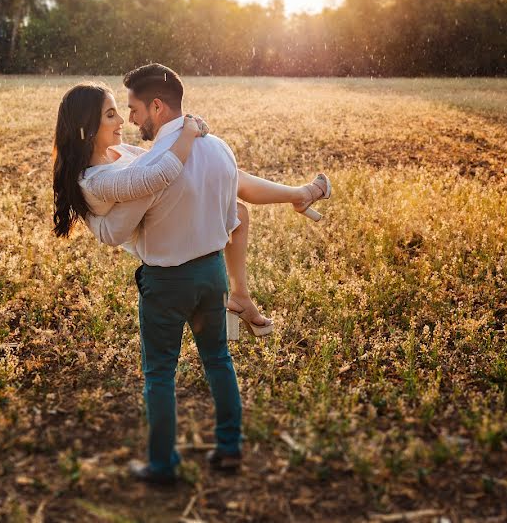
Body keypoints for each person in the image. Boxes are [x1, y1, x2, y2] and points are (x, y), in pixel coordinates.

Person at [51, 64, 331, 483]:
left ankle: (163, 466)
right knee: (218, 360)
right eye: (115, 112)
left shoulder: (149, 165)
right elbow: (236, 192)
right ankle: (231, 449)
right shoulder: (215, 146)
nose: (128, 119)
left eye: (130, 109)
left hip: (166, 282)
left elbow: (127, 216)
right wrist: (292, 193)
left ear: (156, 107)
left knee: (160, 374)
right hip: (212, 274)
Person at [53, 81, 331, 335]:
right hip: (154, 237)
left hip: (156, 213)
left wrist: (193, 138)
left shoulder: (118, 151)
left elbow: (156, 160)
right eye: (111, 114)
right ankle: (300, 196)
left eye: (120, 111)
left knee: (235, 207)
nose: (123, 120)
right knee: (216, 180)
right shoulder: (97, 180)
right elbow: (156, 175)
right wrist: (187, 132)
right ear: (87, 126)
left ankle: (241, 295)